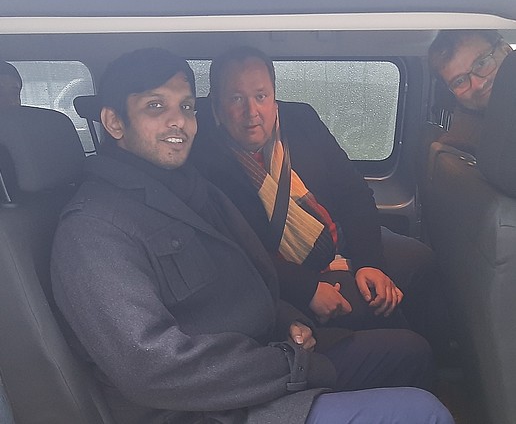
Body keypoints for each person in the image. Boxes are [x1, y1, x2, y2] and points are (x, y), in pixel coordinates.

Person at [51, 48, 454, 424]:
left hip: (269, 354)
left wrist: (289, 320)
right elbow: (151, 368)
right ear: (114, 121)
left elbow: (248, 269)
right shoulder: (93, 230)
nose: (178, 121)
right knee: (423, 412)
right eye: (155, 106)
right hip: (220, 405)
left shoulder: (186, 188)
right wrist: (288, 363)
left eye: (186, 107)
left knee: (411, 353)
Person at [190, 46, 444, 349]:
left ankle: (440, 364)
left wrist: (370, 263)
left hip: (340, 244)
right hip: (281, 275)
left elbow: (353, 192)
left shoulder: (301, 119)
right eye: (236, 99)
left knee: (420, 260)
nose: (252, 112)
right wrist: (307, 288)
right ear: (216, 106)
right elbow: (233, 252)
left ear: (274, 97)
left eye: (261, 96)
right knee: (375, 309)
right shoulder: (201, 157)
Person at [428, 29, 513, 155]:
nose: (478, 85)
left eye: (481, 63)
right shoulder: (463, 145)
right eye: (459, 81)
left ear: (507, 51)